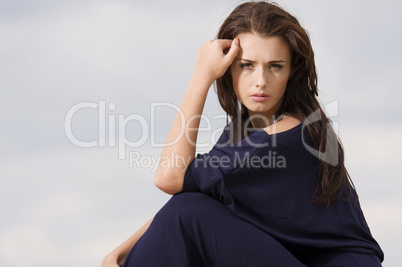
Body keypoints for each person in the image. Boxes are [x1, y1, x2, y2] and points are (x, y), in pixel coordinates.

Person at [102, 1, 384, 266]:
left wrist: (201, 75)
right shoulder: (245, 130)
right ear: (229, 70)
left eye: (275, 66)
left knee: (189, 212)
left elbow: (170, 177)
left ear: (292, 71)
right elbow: (197, 192)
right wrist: (119, 253)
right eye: (246, 65)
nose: (260, 82)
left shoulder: (287, 134)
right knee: (192, 208)